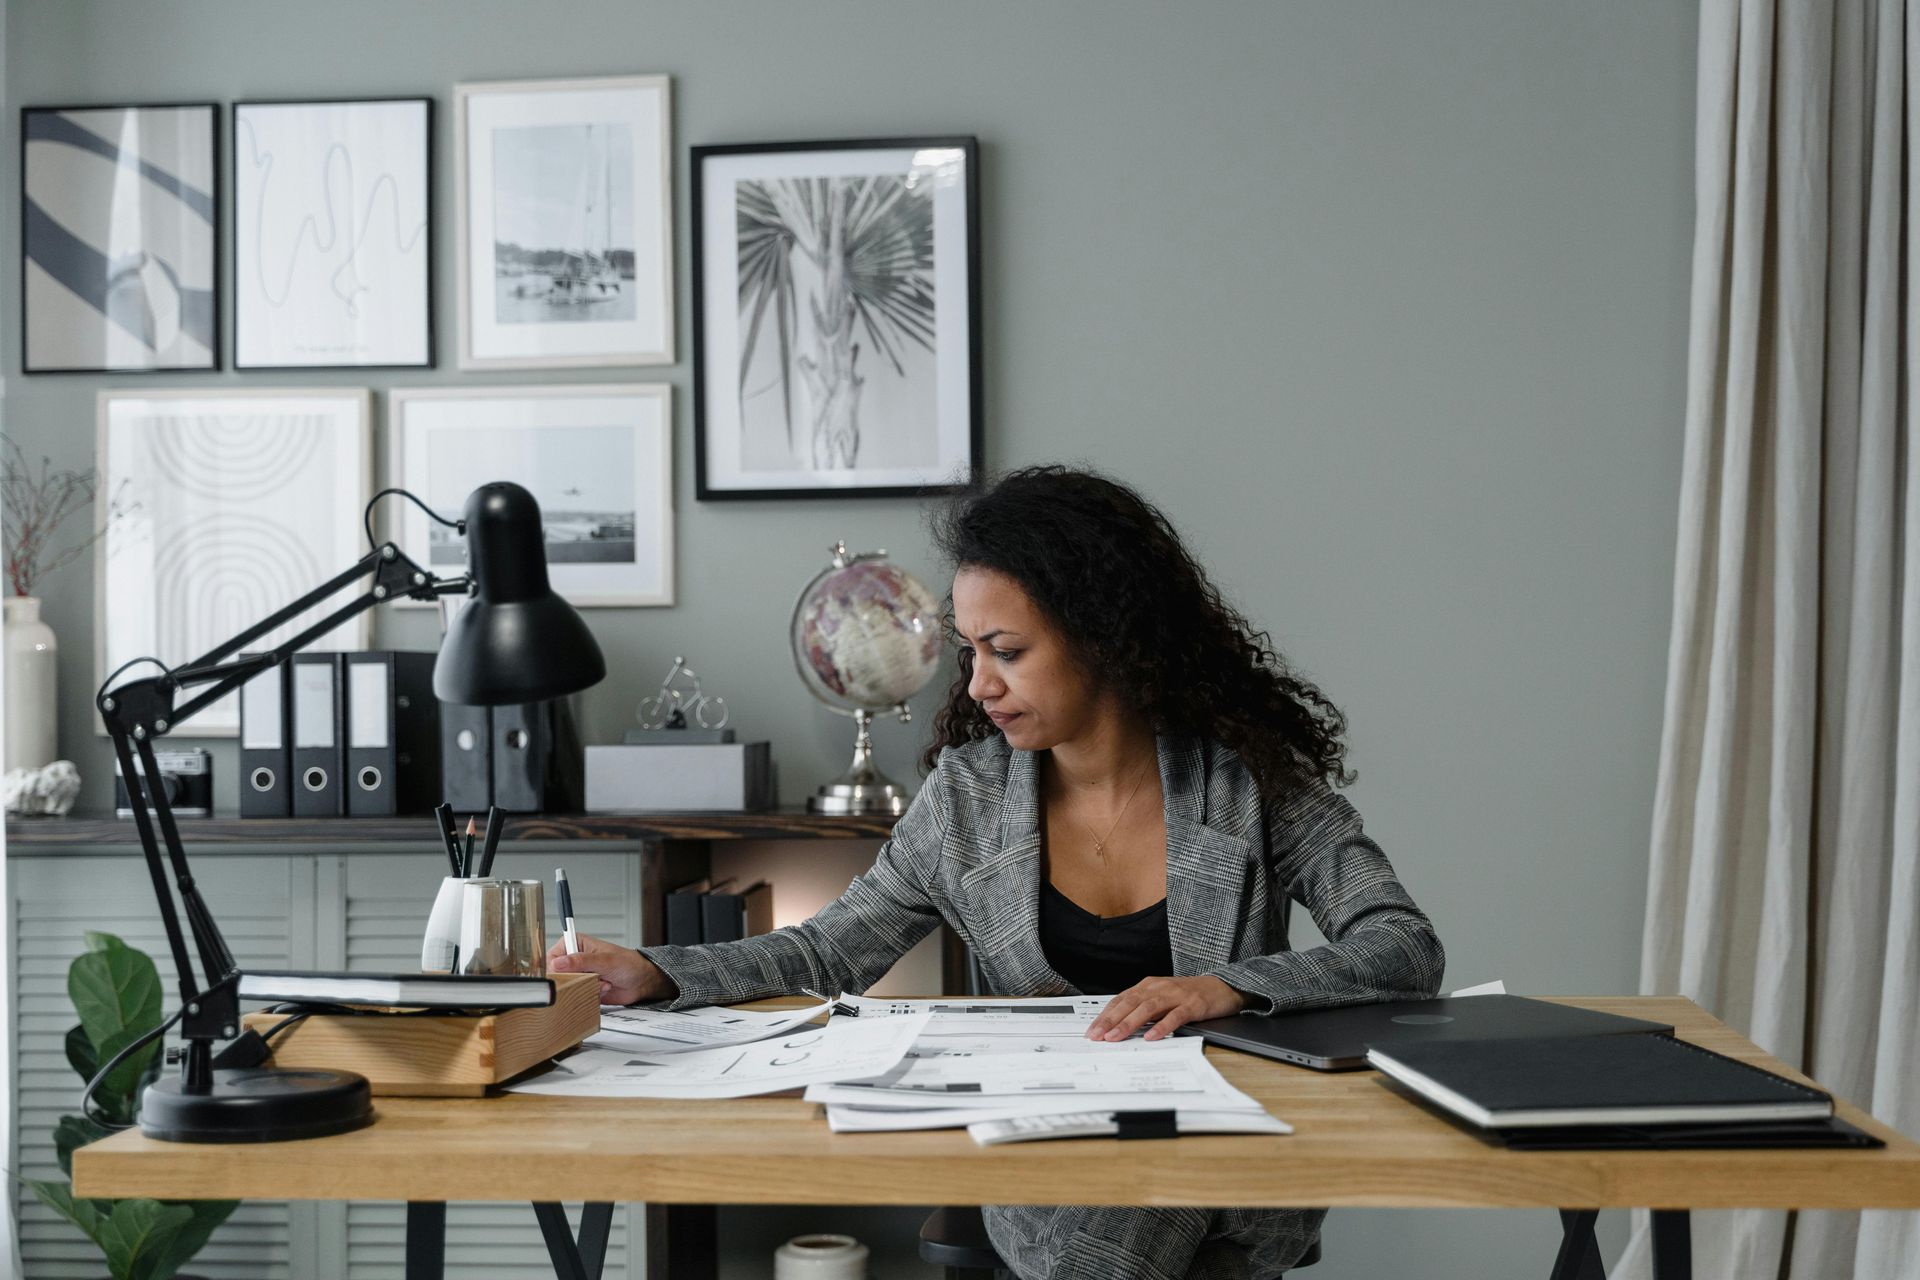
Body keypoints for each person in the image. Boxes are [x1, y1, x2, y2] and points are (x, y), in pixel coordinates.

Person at [552, 465, 1446, 1279]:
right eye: (970, 649)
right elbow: (833, 951)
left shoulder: (1246, 779)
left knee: (1145, 1224)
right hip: (1048, 1163)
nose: (978, 684)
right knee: (1120, 1241)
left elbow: (1402, 944)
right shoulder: (968, 799)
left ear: (1105, 639)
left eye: (1006, 652)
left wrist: (1230, 988)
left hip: (1223, 1151)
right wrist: (661, 970)